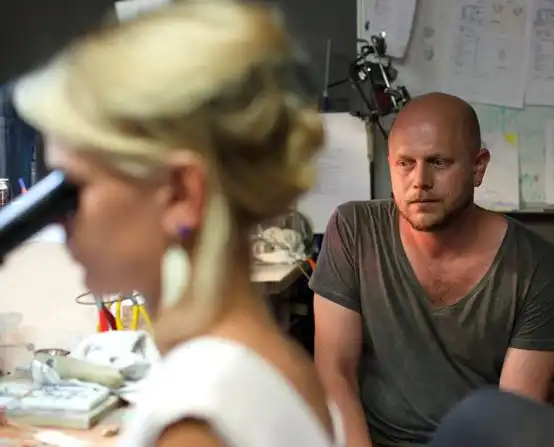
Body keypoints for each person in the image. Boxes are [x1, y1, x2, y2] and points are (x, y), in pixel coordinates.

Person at [13, 1, 344, 446]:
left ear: (181, 194)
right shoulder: (279, 363)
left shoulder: (195, 417)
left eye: (73, 189)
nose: (60, 221)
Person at [310, 92, 554, 447]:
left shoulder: (534, 264)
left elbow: (512, 416)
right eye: (405, 163)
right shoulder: (354, 230)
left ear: (478, 167)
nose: (420, 180)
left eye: (438, 162)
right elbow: (335, 371)